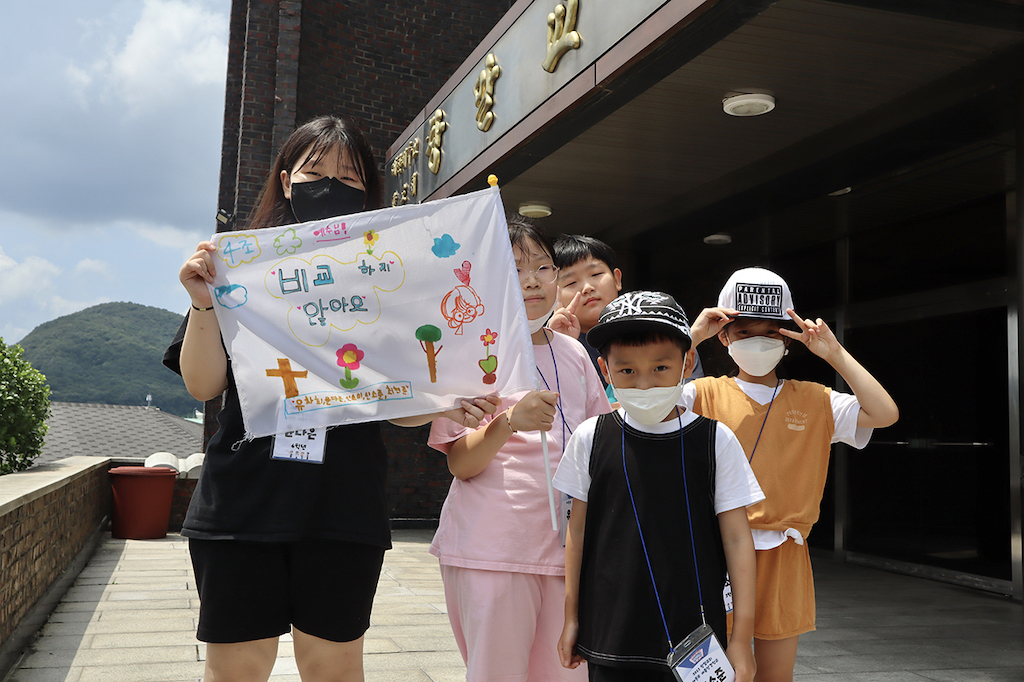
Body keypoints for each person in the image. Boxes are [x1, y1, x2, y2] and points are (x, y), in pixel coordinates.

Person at [165, 114, 499, 682]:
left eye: (348, 177)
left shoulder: (385, 277)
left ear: (368, 192)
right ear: (286, 181)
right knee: (236, 668)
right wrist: (202, 300)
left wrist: (450, 400)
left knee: (334, 668)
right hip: (242, 501)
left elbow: (399, 404)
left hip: (343, 503)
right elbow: (203, 385)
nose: (330, 186)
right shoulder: (241, 269)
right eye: (315, 172)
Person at [685, 267, 899, 682]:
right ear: (723, 337)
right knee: (712, 670)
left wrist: (834, 354)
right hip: (714, 549)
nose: (758, 342)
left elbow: (884, 412)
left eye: (771, 333)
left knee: (775, 674)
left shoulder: (816, 400)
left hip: (784, 551)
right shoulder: (701, 394)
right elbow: (636, 409)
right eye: (743, 332)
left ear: (788, 339)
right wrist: (691, 338)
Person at [427, 215, 612, 682]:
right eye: (515, 269)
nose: (532, 281)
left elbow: (599, 442)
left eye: (543, 267)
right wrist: (508, 423)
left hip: (566, 552)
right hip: (493, 548)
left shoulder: (574, 352)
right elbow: (460, 463)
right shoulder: (469, 350)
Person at [554, 291, 761, 682]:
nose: (645, 384)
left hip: (697, 640)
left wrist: (741, 638)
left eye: (661, 367)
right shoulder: (590, 437)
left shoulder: (715, 440)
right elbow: (576, 533)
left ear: (687, 363)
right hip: (610, 634)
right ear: (605, 369)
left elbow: (737, 540)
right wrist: (571, 618)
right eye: (627, 371)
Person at [552, 234, 703, 399]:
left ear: (617, 279)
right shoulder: (546, 344)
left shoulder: (664, 327)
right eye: (571, 283)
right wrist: (558, 347)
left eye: (595, 274)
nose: (587, 287)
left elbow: (688, 398)